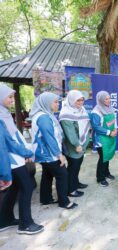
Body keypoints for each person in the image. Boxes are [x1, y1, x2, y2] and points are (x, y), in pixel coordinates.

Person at [0, 84, 44, 235]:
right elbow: (8, 143)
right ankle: (25, 224)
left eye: (13, 96)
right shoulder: (0, 116)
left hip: (14, 158)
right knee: (27, 186)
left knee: (15, 187)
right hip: (11, 160)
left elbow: (14, 138)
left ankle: (4, 219)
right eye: (10, 97)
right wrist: (26, 152)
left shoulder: (4, 113)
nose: (13, 100)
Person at [30, 92, 77, 210]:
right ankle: (64, 201)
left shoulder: (44, 115)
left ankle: (45, 199)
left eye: (58, 102)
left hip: (44, 153)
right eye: (55, 102)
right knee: (62, 174)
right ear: (46, 103)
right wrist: (59, 154)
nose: (58, 105)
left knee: (47, 174)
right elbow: (49, 137)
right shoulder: (44, 117)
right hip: (48, 154)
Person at [59, 90, 91, 197]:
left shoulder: (82, 110)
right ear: (72, 100)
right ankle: (71, 190)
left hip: (81, 145)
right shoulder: (66, 113)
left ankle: (76, 183)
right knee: (73, 168)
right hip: (74, 146)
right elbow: (70, 132)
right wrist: (77, 144)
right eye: (78, 101)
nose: (81, 102)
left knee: (77, 166)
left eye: (82, 100)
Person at [91, 91, 118, 187]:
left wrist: (115, 129)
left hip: (110, 137)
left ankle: (106, 173)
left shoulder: (110, 108)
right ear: (101, 100)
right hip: (101, 139)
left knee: (107, 156)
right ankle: (100, 178)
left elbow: (114, 121)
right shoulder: (96, 111)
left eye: (109, 98)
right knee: (103, 158)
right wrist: (109, 132)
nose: (109, 100)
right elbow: (96, 127)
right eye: (106, 99)